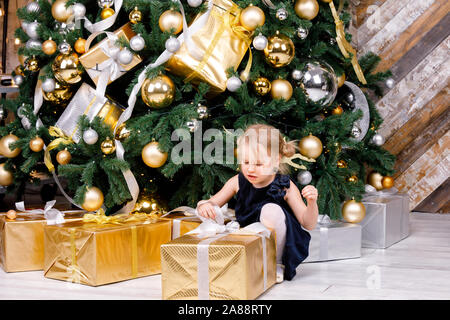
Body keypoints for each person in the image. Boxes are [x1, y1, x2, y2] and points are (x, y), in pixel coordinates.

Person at [197, 123, 319, 282]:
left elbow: (308, 224)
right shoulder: (238, 181)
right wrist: (205, 205)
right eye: (246, 162)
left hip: (279, 244)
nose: (251, 170)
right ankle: (249, 260)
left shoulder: (284, 186)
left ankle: (276, 264)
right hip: (248, 238)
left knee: (271, 210)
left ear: (276, 160)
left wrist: (311, 202)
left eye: (259, 164)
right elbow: (212, 203)